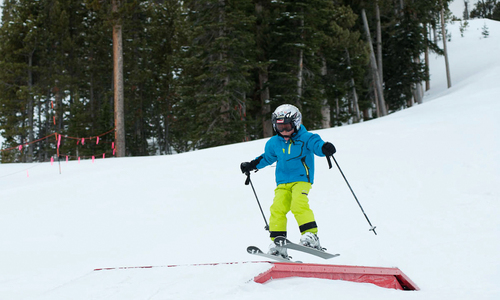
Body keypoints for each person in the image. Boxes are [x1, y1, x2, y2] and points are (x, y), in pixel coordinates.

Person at [240, 104, 336, 259]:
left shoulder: (306, 138)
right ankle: (278, 245)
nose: (284, 131)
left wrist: (324, 148)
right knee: (277, 209)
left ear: (296, 123)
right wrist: (251, 165)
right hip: (282, 182)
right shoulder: (274, 142)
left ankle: (311, 236)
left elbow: (316, 145)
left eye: (287, 127)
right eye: (280, 128)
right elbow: (267, 157)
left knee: (298, 204)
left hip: (301, 179)